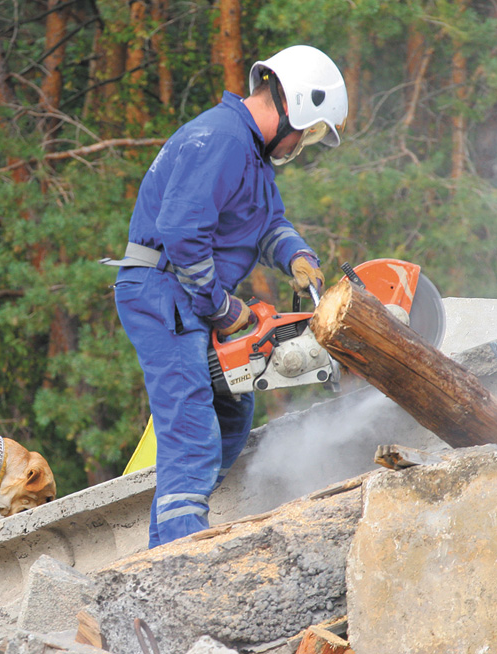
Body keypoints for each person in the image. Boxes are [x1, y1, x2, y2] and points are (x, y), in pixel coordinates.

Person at [103, 45, 348, 548]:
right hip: (164, 293)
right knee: (192, 433)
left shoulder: (251, 156)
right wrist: (222, 307)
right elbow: (182, 231)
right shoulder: (221, 139)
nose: (304, 144)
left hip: (184, 291)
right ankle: (179, 567)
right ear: (294, 105)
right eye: (311, 130)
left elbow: (268, 226)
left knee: (231, 417)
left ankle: (168, 540)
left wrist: (298, 257)